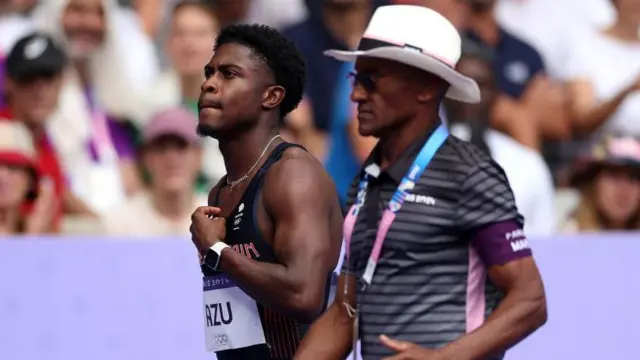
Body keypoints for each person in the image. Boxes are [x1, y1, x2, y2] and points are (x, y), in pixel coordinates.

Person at [295, 5, 547, 360]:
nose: (356, 95)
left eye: (372, 80)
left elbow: (531, 299)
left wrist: (441, 358)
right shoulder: (365, 180)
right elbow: (345, 311)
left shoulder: (469, 174)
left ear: (426, 88)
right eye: (355, 79)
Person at [189, 24, 343, 360]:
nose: (208, 83)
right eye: (209, 72)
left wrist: (216, 250)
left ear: (270, 96)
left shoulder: (292, 174)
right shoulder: (221, 191)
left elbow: (304, 296)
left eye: (229, 74)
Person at [444, 42, 555, 237]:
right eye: (460, 84)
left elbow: (545, 242)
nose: (470, 94)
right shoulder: (412, 155)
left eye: (481, 85)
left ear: (496, 95)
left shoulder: (527, 163)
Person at [103, 107, 207, 236]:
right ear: (146, 158)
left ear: (199, 156)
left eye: (181, 146)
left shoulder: (219, 220)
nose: (171, 158)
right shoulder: (119, 222)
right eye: (161, 148)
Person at [561, 135, 640, 233]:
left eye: (633, 177)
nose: (624, 188)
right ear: (591, 183)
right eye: (613, 174)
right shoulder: (568, 238)